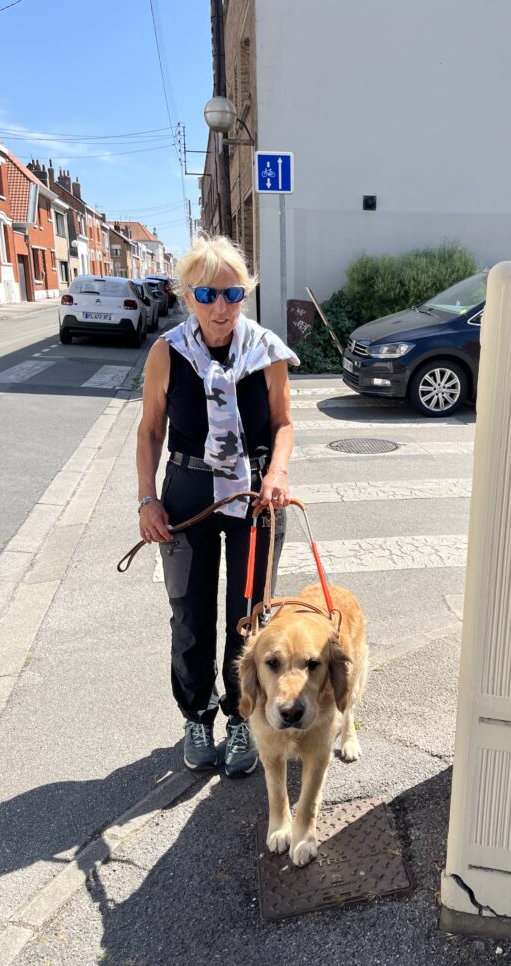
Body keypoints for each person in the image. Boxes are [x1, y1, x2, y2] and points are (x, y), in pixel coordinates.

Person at [136, 235, 298, 777]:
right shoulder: (168, 352)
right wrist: (147, 499)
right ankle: (197, 717)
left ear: (245, 293)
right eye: (207, 294)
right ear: (188, 295)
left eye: (232, 293)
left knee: (248, 620)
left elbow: (283, 425)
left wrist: (276, 474)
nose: (220, 307)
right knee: (191, 615)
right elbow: (150, 429)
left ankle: (241, 719)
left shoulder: (267, 352)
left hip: (253, 495)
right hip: (186, 494)